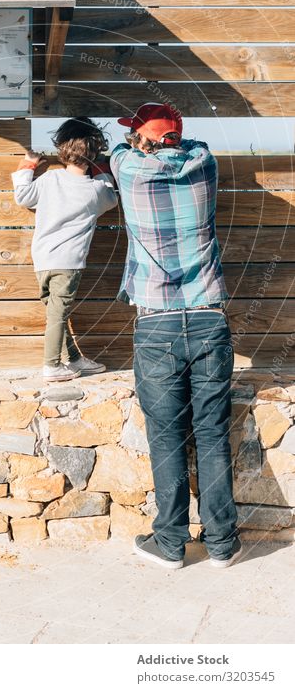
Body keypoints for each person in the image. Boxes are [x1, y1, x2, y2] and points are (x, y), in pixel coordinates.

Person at [110, 102, 240, 569]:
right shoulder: (204, 166)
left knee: (166, 437)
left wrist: (145, 142)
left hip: (156, 322)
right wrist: (168, 140)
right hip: (209, 318)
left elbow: (127, 150)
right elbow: (194, 146)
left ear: (141, 139)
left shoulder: (127, 168)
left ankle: (169, 544)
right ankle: (223, 543)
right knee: (211, 433)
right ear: (176, 138)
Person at [12, 117, 118, 382]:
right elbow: (112, 199)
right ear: (95, 151)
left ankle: (73, 359)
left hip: (43, 258)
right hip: (69, 262)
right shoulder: (96, 191)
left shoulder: (49, 179)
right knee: (59, 315)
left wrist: (28, 164)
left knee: (56, 313)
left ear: (61, 148)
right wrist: (103, 168)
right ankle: (51, 365)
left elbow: (23, 196)